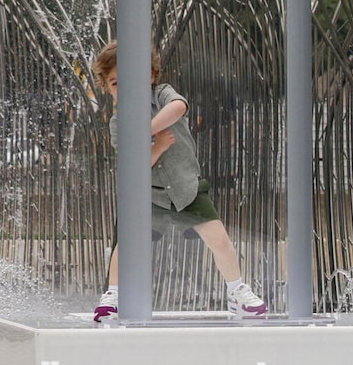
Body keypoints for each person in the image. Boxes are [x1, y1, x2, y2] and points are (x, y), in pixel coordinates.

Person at [91, 42, 267, 321]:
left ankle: (237, 291)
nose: (123, 88)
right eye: (114, 83)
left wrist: (146, 129)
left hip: (186, 187)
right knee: (124, 245)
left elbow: (179, 106)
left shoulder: (161, 95)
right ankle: (113, 294)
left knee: (219, 240)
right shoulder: (117, 122)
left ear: (149, 76)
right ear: (108, 88)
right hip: (147, 193)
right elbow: (132, 168)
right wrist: (157, 146)